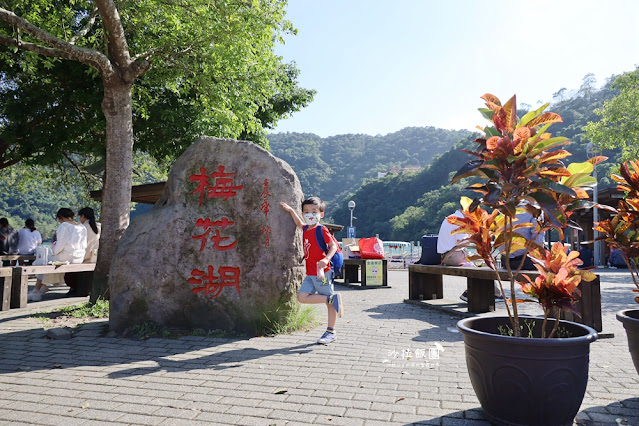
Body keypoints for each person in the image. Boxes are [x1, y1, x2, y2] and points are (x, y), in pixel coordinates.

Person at [280, 197, 343, 345]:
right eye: (306, 212)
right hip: (310, 273)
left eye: (314, 211)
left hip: (323, 272)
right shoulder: (306, 229)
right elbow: (299, 224)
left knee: (330, 303)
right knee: (302, 297)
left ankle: (331, 332)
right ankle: (331, 299)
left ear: (321, 214)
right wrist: (290, 211)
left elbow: (333, 246)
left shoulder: (322, 229)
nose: (310, 214)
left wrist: (326, 259)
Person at [437, 210, 502, 302]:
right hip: (454, 255)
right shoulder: (460, 221)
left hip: (448, 255)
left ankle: (493, 293)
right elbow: (463, 242)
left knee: (482, 265)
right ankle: (471, 293)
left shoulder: (452, 217)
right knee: (481, 268)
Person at [28, 208, 87, 302]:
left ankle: (36, 290)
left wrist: (52, 252)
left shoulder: (64, 226)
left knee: (43, 260)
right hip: (79, 257)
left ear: (60, 217)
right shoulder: (81, 226)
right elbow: (84, 244)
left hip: (67, 256)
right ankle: (43, 285)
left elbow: (60, 245)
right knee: (48, 259)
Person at [64, 207, 101, 296]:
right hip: (95, 256)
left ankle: (73, 288)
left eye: (80, 217)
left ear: (83, 216)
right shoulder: (99, 226)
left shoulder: (81, 227)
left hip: (83, 257)